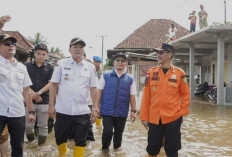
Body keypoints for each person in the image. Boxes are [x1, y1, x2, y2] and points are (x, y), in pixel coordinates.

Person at [48, 37, 98, 156]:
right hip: (62, 110)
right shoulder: (61, 64)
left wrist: (95, 108)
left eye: (81, 47)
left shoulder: (90, 67)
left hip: (82, 111)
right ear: (69, 49)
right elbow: (53, 85)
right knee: (60, 137)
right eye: (75, 47)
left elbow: (93, 88)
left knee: (81, 140)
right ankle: (63, 153)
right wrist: (51, 105)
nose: (78, 50)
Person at [139, 43, 190, 157]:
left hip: (173, 118)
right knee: (152, 150)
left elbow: (186, 95)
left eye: (161, 52)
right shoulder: (151, 73)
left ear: (170, 54)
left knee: (172, 150)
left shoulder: (179, 73)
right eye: (158, 52)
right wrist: (144, 117)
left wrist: (182, 112)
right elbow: (146, 97)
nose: (158, 55)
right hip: (154, 118)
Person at [0, 34, 35, 157]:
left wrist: (31, 111)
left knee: (18, 147)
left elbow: (26, 90)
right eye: (7, 44)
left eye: (13, 44)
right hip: (0, 111)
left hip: (17, 112)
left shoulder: (21, 67)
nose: (11, 46)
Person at [96, 52, 136, 150]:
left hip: (121, 112)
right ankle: (104, 150)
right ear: (114, 62)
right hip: (107, 110)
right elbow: (99, 91)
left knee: (119, 134)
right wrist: (96, 107)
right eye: (117, 60)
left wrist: (133, 111)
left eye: (122, 61)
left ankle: (117, 150)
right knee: (108, 131)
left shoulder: (130, 78)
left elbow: (132, 95)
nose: (120, 62)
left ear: (126, 63)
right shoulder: (106, 75)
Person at [25, 44, 54, 145]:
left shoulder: (50, 68)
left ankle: (41, 147)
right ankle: (31, 143)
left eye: (43, 54)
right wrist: (33, 94)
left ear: (47, 55)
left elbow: (51, 83)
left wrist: (39, 93)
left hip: (44, 100)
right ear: (34, 53)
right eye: (39, 54)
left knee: (43, 125)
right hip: (29, 100)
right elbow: (23, 83)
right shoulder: (26, 66)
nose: (41, 56)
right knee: (28, 125)